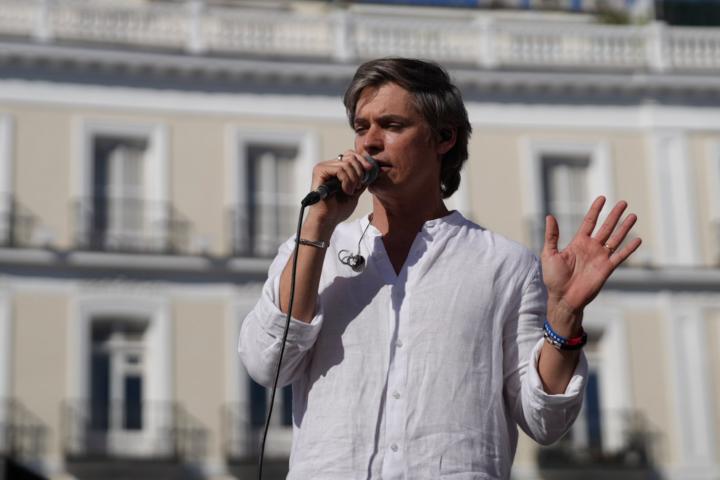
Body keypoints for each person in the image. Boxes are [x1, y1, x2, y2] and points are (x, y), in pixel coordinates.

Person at [239, 58, 641, 479]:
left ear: (444, 137)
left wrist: (564, 314)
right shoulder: (311, 248)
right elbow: (268, 365)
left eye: (391, 126)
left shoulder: (504, 265)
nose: (370, 143)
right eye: (361, 128)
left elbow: (546, 421)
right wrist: (318, 225)